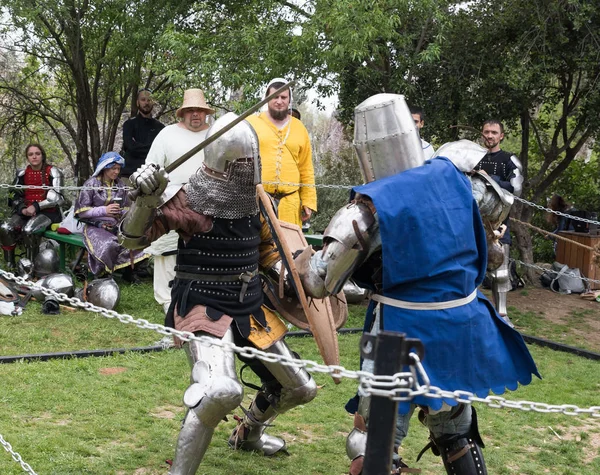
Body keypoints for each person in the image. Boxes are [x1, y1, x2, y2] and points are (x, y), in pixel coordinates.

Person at [296, 94, 539, 475]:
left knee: (374, 440)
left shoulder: (367, 208)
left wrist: (298, 259)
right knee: (455, 428)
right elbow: (502, 194)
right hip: (461, 320)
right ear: (411, 130)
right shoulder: (458, 178)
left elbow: (318, 282)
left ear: (365, 148)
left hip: (402, 328)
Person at [118, 112, 318, 475]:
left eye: (250, 162)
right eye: (242, 163)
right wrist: (146, 199)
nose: (248, 169)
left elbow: (268, 253)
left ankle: (249, 433)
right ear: (223, 161)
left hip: (250, 307)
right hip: (203, 305)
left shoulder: (255, 200)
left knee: (301, 388)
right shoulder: (187, 200)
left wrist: (295, 276)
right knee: (221, 390)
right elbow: (130, 240)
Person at [144, 88, 215, 313]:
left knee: (205, 253)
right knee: (167, 255)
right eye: (190, 110)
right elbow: (151, 168)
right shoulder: (166, 135)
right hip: (171, 203)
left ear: (206, 113)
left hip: (207, 204)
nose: (195, 114)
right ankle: (168, 306)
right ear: (183, 113)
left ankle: (200, 303)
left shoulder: (216, 134)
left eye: (200, 110)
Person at [247, 78, 317, 227]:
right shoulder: (251, 123)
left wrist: (308, 201)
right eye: (275, 97)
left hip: (289, 203)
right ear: (267, 98)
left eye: (283, 97)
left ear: (289, 100)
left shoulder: (299, 128)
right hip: (257, 201)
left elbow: (306, 167)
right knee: (254, 247)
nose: (279, 101)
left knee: (288, 249)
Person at [474, 119, 524, 319]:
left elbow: (517, 187)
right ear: (482, 134)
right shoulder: (473, 158)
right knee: (471, 270)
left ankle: (502, 315)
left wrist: (492, 179)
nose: (490, 136)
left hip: (499, 222)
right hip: (473, 223)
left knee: (500, 273)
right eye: (487, 132)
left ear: (501, 136)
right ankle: (472, 312)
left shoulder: (509, 159)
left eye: (494, 132)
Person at [75, 152, 150, 283]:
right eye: (113, 168)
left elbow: (127, 208)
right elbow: (82, 212)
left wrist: (119, 213)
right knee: (109, 243)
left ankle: (129, 272)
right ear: (105, 167)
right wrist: (104, 210)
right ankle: (103, 274)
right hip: (95, 226)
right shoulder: (91, 183)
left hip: (116, 223)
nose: (116, 172)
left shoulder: (120, 185)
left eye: (118, 169)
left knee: (136, 240)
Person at [1, 143, 65, 269]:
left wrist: (36, 207)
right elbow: (13, 195)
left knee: (29, 231)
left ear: (42, 155)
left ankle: (32, 268)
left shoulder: (53, 171)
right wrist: (22, 209)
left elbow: (58, 198)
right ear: (27, 157)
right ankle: (10, 265)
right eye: (31, 154)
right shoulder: (22, 173)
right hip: (25, 211)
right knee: (5, 228)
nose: (34, 157)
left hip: (48, 212)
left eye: (37, 153)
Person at [121, 89, 165, 179]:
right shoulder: (129, 124)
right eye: (143, 100)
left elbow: (162, 151)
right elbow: (130, 146)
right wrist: (152, 148)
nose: (146, 103)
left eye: (149, 100)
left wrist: (138, 146)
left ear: (153, 103)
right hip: (129, 174)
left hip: (153, 176)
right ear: (137, 103)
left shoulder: (160, 127)